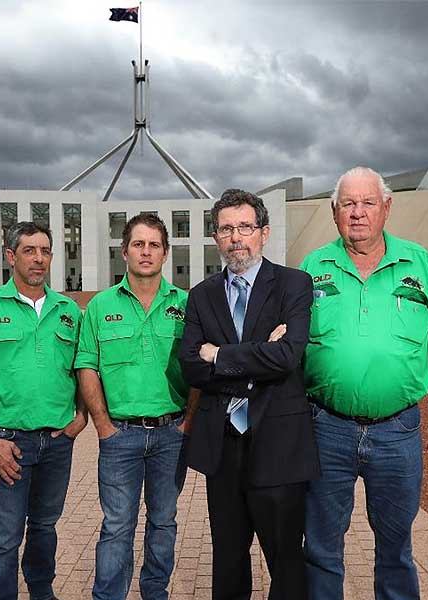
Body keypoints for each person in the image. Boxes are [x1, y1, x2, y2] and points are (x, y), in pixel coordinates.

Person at [300, 166, 428, 600]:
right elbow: (291, 349)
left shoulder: (420, 263)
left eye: (368, 203)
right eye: (348, 204)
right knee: (320, 547)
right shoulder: (312, 267)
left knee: (395, 547)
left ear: (386, 207)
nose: (358, 213)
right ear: (334, 211)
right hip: (325, 430)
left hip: (398, 432)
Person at [179, 189, 319, 600]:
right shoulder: (201, 295)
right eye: (226, 229)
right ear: (216, 237)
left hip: (279, 444)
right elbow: (191, 365)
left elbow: (288, 357)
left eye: (245, 227)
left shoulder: (293, 284)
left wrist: (219, 355)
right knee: (227, 560)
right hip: (223, 447)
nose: (236, 237)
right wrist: (262, 354)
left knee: (286, 562)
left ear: (263, 233)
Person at [0, 221, 87, 600]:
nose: (39, 258)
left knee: (45, 526)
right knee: (6, 536)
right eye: (30, 250)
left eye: (45, 251)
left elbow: (82, 367)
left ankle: (42, 592)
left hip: (58, 441)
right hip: (7, 444)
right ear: (11, 256)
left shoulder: (68, 310)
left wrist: (82, 415)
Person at [75, 213, 194, 600]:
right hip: (119, 436)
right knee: (116, 526)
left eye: (154, 244)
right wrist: (103, 425)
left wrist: (187, 423)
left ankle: (154, 592)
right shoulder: (100, 306)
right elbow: (87, 366)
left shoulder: (187, 304)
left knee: (163, 522)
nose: (146, 252)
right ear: (124, 251)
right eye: (138, 244)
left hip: (171, 434)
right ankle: (109, 596)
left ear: (165, 252)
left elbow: (198, 369)